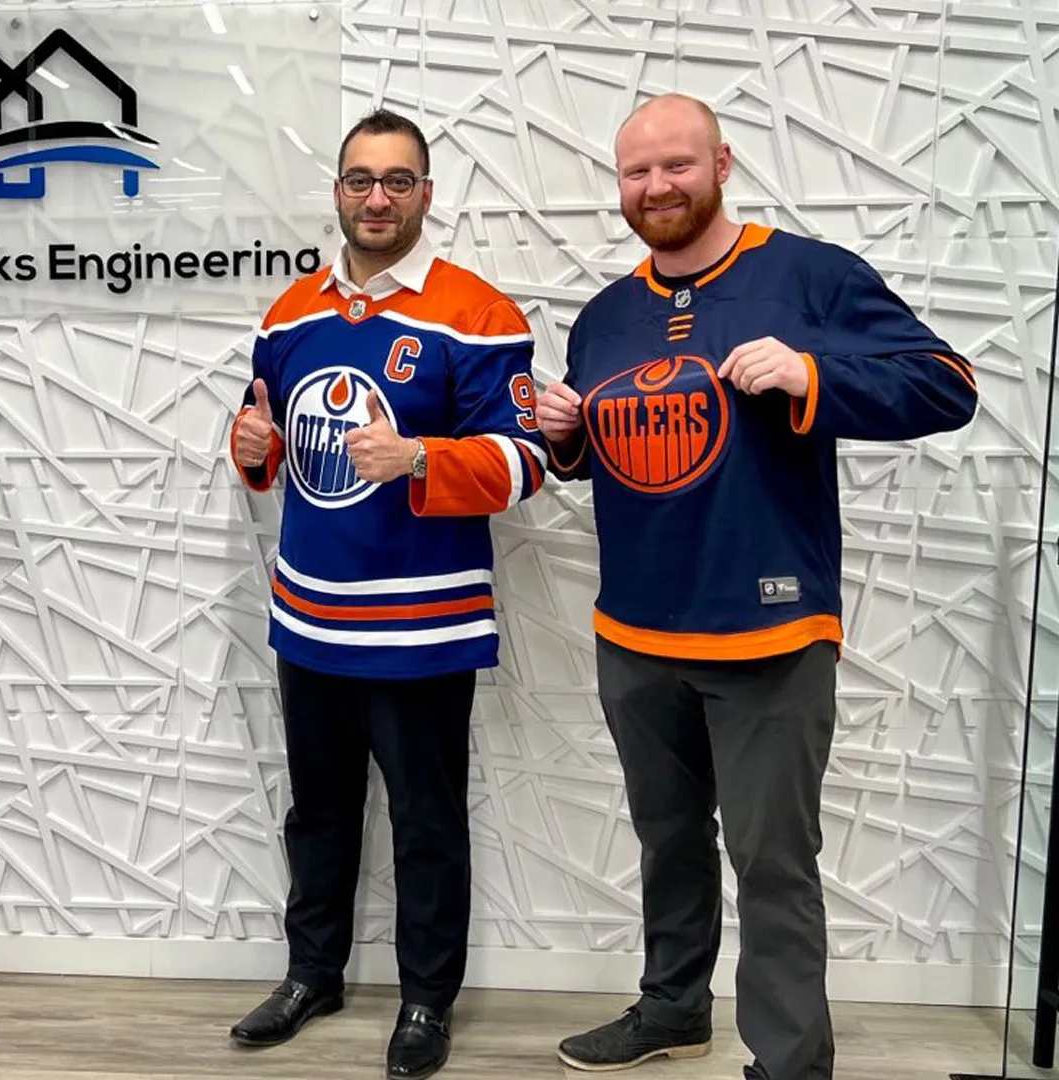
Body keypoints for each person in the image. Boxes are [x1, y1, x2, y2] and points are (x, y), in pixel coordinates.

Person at [539, 94, 978, 1080]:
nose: (655, 187)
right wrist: (566, 442)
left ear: (723, 163)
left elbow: (948, 382)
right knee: (666, 840)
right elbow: (619, 457)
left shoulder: (809, 278)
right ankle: (672, 1008)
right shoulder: (606, 317)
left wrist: (811, 369)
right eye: (635, 172)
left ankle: (788, 1065)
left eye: (676, 166)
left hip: (770, 637)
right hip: (636, 633)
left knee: (775, 866)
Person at [226, 107, 547, 1080]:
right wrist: (254, 454)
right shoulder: (289, 315)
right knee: (316, 813)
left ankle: (423, 1000)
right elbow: (277, 439)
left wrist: (422, 456)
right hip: (309, 612)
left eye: (397, 180)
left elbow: (528, 460)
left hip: (424, 624)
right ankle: (312, 973)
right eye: (361, 179)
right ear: (336, 191)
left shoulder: (480, 314)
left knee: (426, 821)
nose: (377, 197)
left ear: (425, 196)